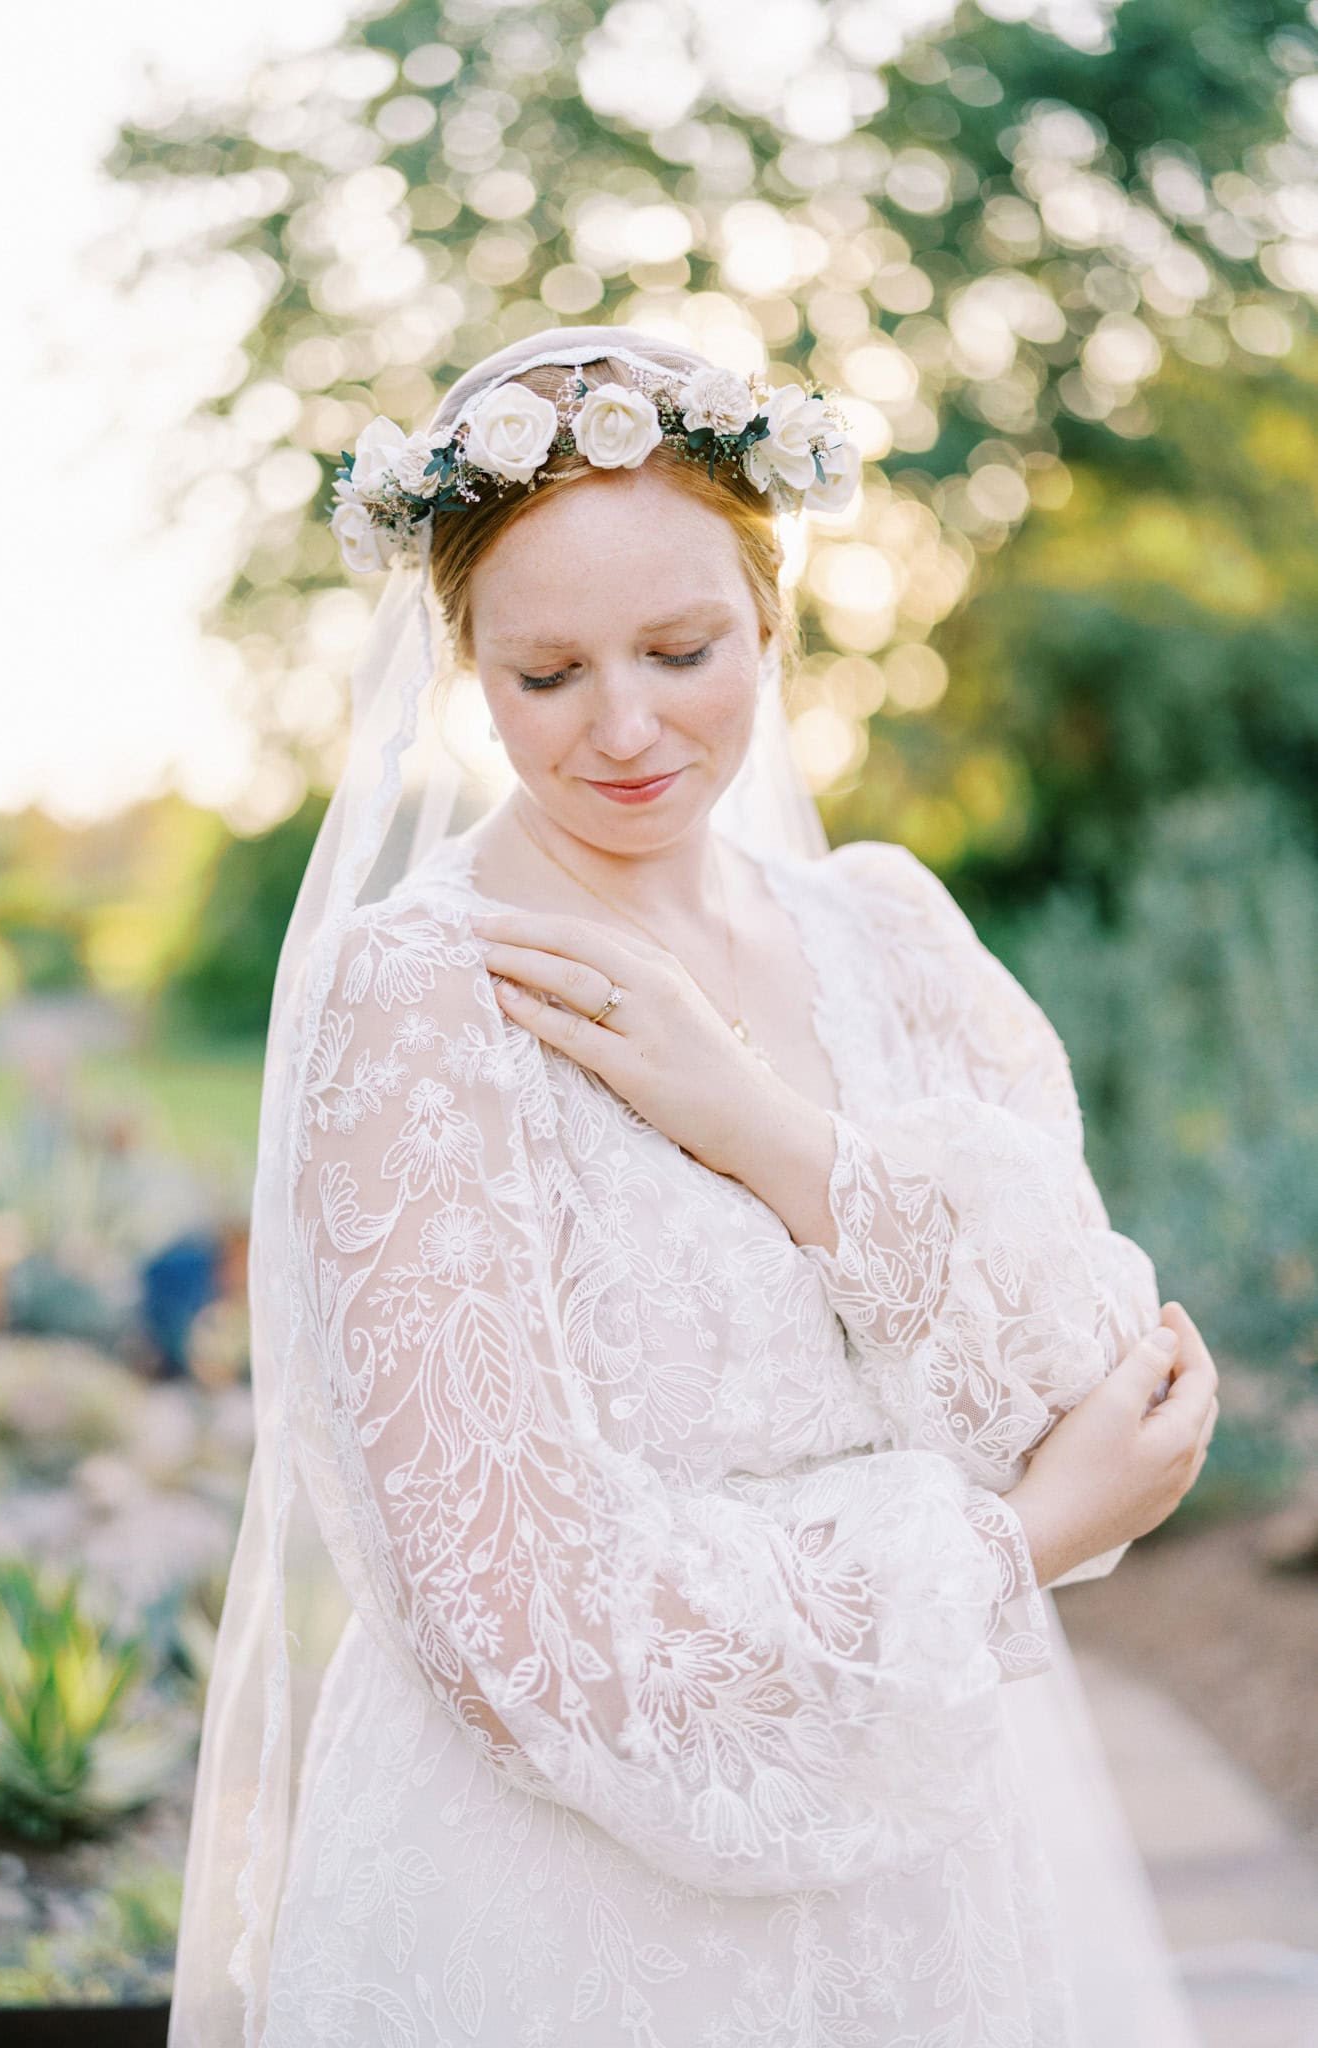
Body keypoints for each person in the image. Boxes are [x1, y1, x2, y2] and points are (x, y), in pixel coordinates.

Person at [169, 326, 1220, 2047]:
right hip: (570, 1922)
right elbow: (514, 1618)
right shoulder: (426, 1000)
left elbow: (1091, 1363)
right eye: (547, 674)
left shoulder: (888, 932)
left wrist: (767, 1129)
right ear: (465, 672)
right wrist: (1013, 1547)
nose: (627, 728)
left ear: (775, 622)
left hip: (936, 1871)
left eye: (681, 647)